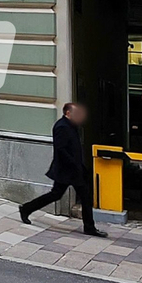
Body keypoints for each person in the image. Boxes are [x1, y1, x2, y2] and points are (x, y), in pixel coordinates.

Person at [20, 99, 103, 236]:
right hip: (66, 170)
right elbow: (61, 149)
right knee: (57, 194)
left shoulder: (72, 125)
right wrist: (74, 164)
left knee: (83, 197)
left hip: (74, 169)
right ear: (68, 113)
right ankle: (26, 208)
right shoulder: (62, 126)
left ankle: (89, 227)